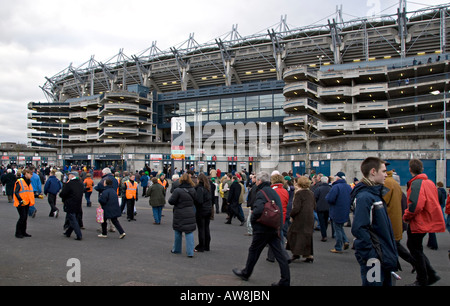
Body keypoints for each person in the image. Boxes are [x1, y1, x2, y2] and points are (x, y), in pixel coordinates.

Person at [232, 171, 290, 286]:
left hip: (263, 227)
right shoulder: (274, 193)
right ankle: (285, 280)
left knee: (254, 250)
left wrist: (254, 222)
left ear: (259, 181)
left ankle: (246, 272)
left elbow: (257, 210)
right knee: (280, 255)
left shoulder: (261, 193)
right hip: (274, 226)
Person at [351, 157, 399, 286]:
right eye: (383, 171)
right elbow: (359, 229)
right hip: (375, 259)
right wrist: (372, 256)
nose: (386, 174)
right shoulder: (365, 197)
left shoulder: (375, 194)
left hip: (382, 256)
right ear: (373, 171)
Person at [404, 159, 446, 286]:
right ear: (421, 169)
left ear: (410, 169)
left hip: (418, 221)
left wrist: (406, 215)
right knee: (416, 248)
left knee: (414, 249)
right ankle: (430, 274)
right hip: (426, 220)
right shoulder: (429, 183)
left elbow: (415, 205)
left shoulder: (416, 183)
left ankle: (423, 279)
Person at [383, 167, 416, 271]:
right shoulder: (399, 191)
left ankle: (413, 262)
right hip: (398, 222)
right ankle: (410, 263)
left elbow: (384, 203)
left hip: (393, 222)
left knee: (394, 245)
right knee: (394, 245)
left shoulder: (389, 185)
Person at [287, 176, 316, 263]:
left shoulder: (299, 194)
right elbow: (315, 205)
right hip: (309, 217)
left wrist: (291, 214)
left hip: (300, 217)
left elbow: (296, 208)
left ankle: (296, 253)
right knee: (307, 235)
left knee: (294, 234)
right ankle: (308, 254)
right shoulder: (311, 193)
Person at [168, 173, 197, 258]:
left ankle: (177, 249)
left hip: (179, 212)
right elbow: (196, 200)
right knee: (189, 232)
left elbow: (171, 201)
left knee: (178, 231)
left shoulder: (178, 190)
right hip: (190, 212)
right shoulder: (193, 190)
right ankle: (190, 252)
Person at [326, 171, 352, 253]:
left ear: (337, 178)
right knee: (340, 227)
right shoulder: (348, 187)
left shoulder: (336, 187)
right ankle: (346, 241)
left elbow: (330, 198)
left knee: (337, 229)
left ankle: (338, 247)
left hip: (336, 210)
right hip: (345, 210)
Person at [60, 171, 84, 241]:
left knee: (73, 219)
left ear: (72, 176)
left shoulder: (69, 184)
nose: (68, 176)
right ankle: (68, 232)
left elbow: (63, 193)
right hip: (78, 204)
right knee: (73, 218)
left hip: (70, 203)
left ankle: (79, 234)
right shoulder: (80, 184)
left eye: (69, 175)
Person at [13, 169, 34, 238]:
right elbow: (16, 192)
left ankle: (23, 232)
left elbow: (28, 192)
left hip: (26, 202)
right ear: (26, 174)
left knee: (25, 218)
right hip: (21, 203)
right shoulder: (20, 181)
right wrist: (20, 200)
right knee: (22, 217)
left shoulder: (28, 182)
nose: (31, 175)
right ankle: (18, 233)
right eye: (30, 174)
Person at [194, 173, 212, 252]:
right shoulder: (207, 188)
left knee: (201, 229)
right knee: (206, 228)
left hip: (201, 210)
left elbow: (199, 200)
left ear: (199, 180)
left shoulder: (199, 188)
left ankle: (201, 245)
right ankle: (207, 245)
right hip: (208, 209)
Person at [314, 176, 331, 241]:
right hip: (328, 207)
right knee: (326, 220)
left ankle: (324, 235)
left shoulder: (318, 189)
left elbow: (315, 197)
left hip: (320, 207)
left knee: (321, 221)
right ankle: (324, 232)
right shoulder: (330, 188)